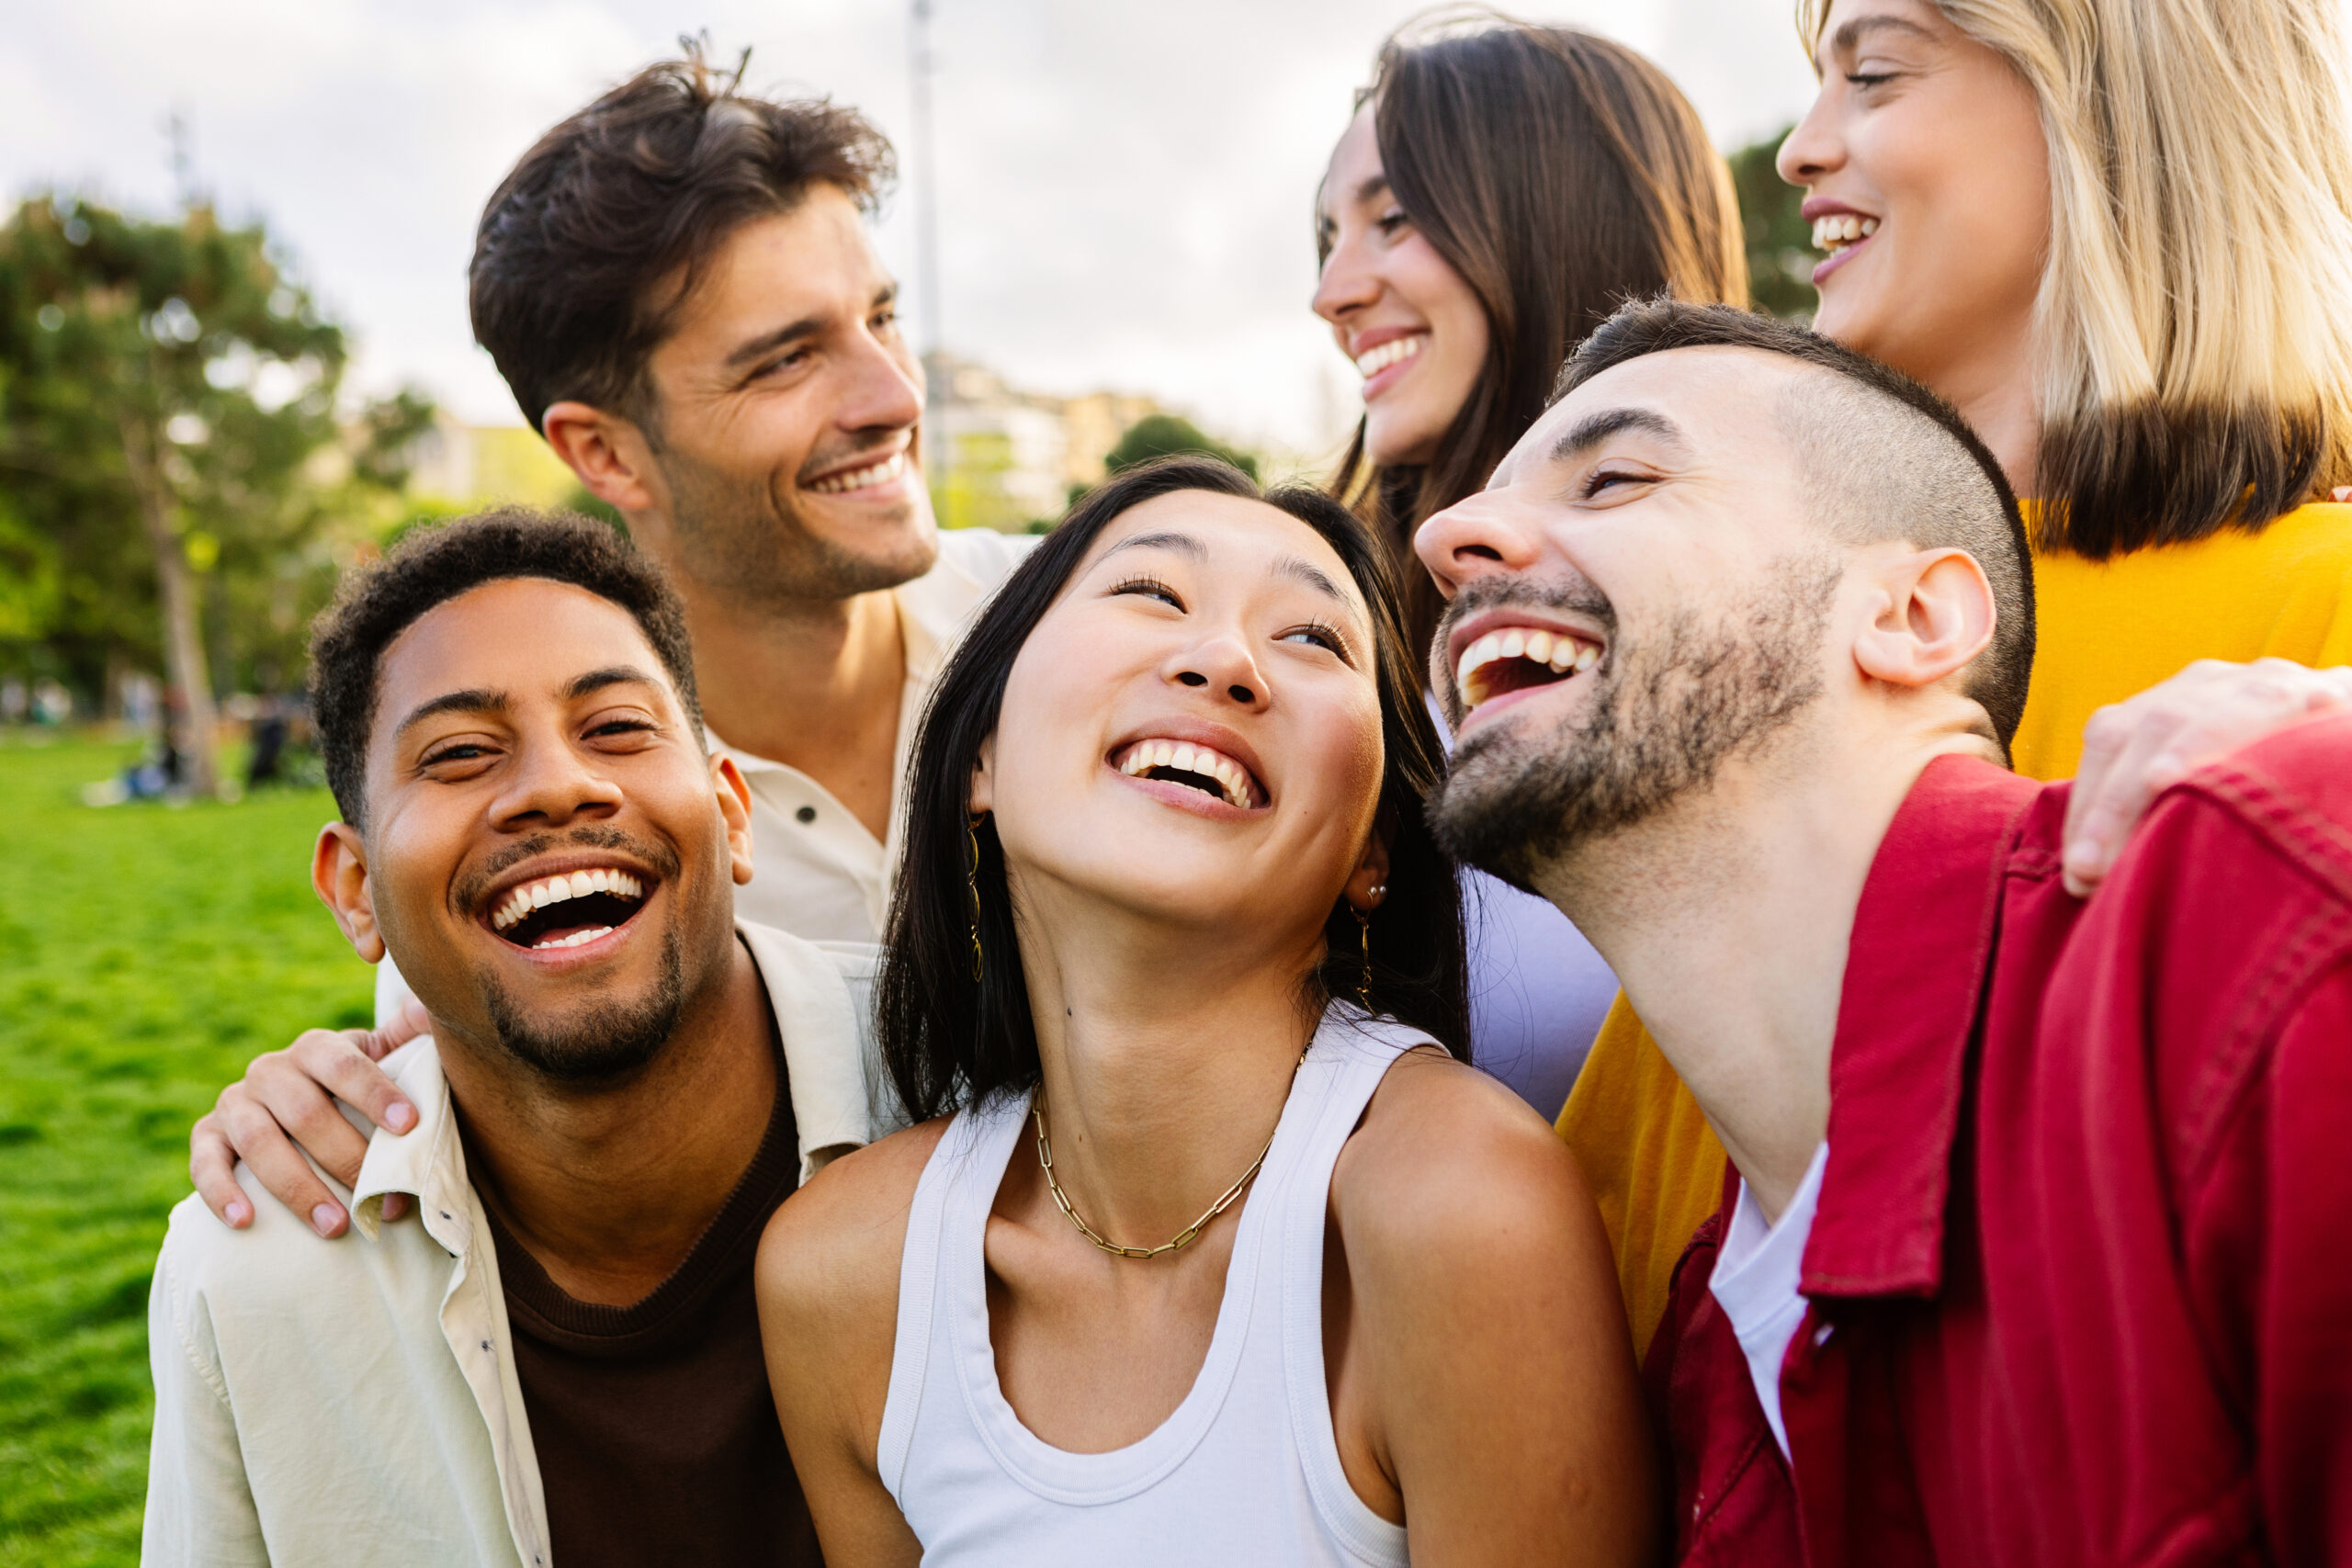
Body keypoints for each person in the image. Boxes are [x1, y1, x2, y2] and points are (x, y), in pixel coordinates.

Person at [1419, 297, 2352, 1562]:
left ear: (1915, 616)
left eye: (1617, 476)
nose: (1447, 535)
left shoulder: (2251, 922)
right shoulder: (1698, 1361)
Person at [1563, 0, 2352, 1359]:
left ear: (2109, 110)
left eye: (1872, 74)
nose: (1803, 150)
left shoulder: (2323, 606)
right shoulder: (1759, 610)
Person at [185, 48, 1026, 1241]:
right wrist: (301, 1105)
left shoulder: (1080, 635)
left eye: (882, 318)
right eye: (788, 357)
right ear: (607, 454)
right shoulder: (573, 853)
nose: (893, 393)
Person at [754, 458, 1656, 1564]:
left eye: (1312, 639)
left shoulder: (1454, 1207)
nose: (1224, 661)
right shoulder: (842, 1270)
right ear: (978, 754)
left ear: (1373, 851)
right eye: (1151, 595)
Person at [143, 510, 881, 1567]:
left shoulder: (976, 1095)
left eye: (619, 727)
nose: (554, 786)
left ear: (731, 812)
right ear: (355, 891)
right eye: (458, 754)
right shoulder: (250, 1272)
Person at [1311, 17, 1747, 1115]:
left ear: (1556, 214)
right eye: (1326, 239)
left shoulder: (1776, 605)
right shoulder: (1339, 632)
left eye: (1392, 220)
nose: (1332, 292)